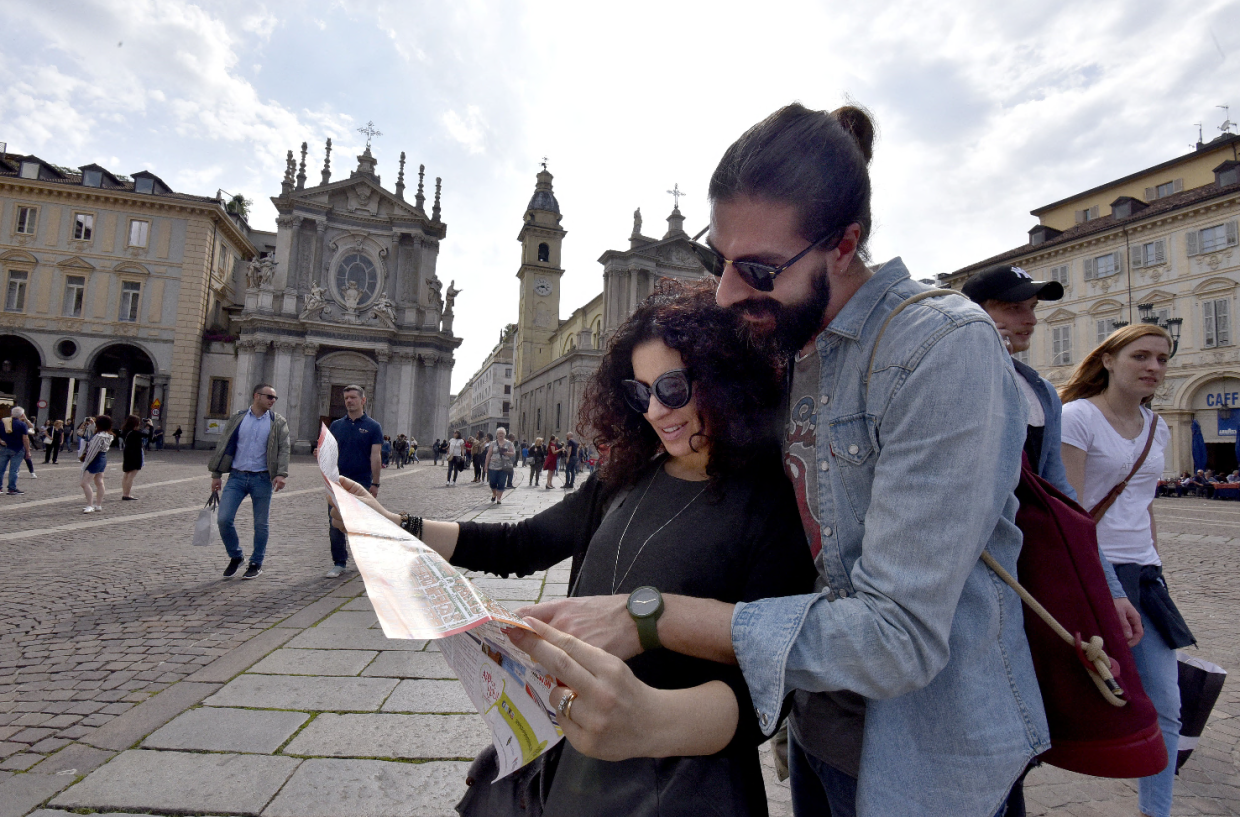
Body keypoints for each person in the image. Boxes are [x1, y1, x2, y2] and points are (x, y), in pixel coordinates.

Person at [518, 103, 1049, 816]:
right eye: (719, 260)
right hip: (819, 740)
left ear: (844, 244)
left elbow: (896, 637)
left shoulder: (940, 348)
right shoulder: (788, 339)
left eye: (760, 268)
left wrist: (651, 615)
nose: (729, 290)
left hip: (930, 765)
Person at [332, 286, 814, 815]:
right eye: (641, 392)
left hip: (683, 785)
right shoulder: (623, 479)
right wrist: (400, 525)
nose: (656, 410)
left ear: (727, 379)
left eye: (673, 387)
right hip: (573, 765)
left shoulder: (773, 504)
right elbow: (520, 545)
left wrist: (647, 719)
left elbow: (769, 687)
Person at [964, 264, 1142, 813]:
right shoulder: (953, 376)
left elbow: (1065, 499)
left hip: (1030, 573)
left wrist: (1107, 587)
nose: (1030, 319)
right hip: (972, 576)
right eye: (1015, 307)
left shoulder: (1039, 388)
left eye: (1032, 308)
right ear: (978, 313)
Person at [1060, 325, 1182, 817]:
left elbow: (1143, 503)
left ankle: (1158, 812)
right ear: (1108, 359)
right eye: (1141, 356)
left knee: (1166, 703)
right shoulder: (1078, 417)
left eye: (1162, 359)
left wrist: (1155, 562)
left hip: (1144, 576)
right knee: (1071, 693)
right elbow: (1069, 509)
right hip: (1093, 573)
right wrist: (1099, 582)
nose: (1153, 367)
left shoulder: (1160, 426)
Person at [208, 383, 291, 579]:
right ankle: (236, 556)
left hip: (262, 478)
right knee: (223, 519)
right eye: (269, 397)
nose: (273, 401)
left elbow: (284, 448)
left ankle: (256, 562)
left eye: (274, 398)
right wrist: (216, 475)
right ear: (256, 396)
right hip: (236, 476)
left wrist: (281, 473)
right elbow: (223, 445)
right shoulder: (238, 418)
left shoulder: (277, 422)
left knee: (261, 523)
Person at [314, 384, 381, 578]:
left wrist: (375, 483)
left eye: (352, 397)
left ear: (363, 400)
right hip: (337, 482)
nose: (349, 401)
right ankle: (339, 562)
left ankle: (365, 562)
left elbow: (375, 456)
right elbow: (329, 451)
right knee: (335, 523)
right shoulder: (336, 426)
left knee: (361, 524)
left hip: (362, 482)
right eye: (346, 398)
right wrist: (319, 454)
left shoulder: (373, 426)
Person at [79, 415, 114, 512]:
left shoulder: (99, 436)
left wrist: (85, 463)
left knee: (84, 482)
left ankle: (90, 505)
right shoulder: (108, 435)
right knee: (99, 482)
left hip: (95, 459)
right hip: (102, 458)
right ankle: (98, 504)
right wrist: (92, 423)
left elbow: (92, 451)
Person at [1, 407, 32, 495]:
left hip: (4, 447)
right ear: (22, 415)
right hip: (17, 449)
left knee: (1, 469)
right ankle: (11, 488)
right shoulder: (22, 424)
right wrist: (28, 450)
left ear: (11, 413)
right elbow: (25, 439)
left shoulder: (3, 422)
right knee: (14, 470)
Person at [482, 427, 516, 504]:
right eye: (499, 433)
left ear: (505, 434)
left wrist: (506, 453)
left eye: (502, 433)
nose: (501, 435)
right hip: (493, 466)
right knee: (492, 482)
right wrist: (486, 465)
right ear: (496, 435)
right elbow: (488, 455)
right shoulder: (493, 443)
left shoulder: (509, 443)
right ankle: (494, 493)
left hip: (504, 466)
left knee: (501, 482)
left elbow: (512, 453)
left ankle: (499, 498)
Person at [119, 414, 145, 501]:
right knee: (132, 474)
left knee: (126, 474)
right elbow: (150, 436)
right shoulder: (136, 433)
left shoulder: (125, 431)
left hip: (127, 452)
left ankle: (124, 493)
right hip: (136, 453)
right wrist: (151, 427)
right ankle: (127, 494)